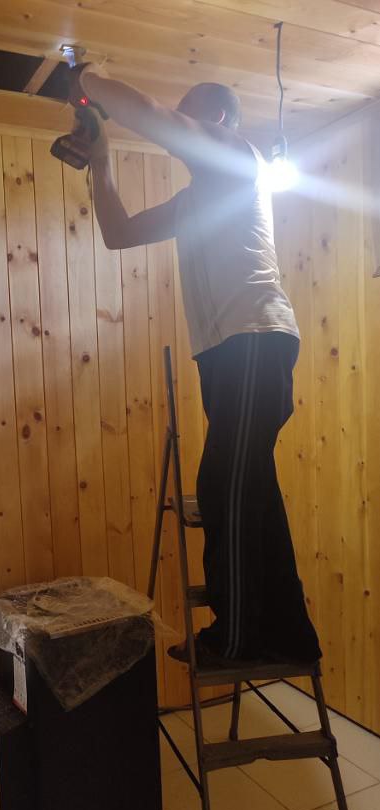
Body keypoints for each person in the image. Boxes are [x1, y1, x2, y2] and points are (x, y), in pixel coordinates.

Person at [68, 66, 321, 666]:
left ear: (220, 120)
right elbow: (118, 234)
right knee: (251, 488)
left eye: (191, 114)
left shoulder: (238, 156)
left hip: (254, 339)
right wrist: (101, 162)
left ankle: (235, 638)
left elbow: (156, 116)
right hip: (229, 353)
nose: (181, 126)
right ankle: (288, 632)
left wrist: (87, 80)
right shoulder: (194, 201)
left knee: (220, 485)